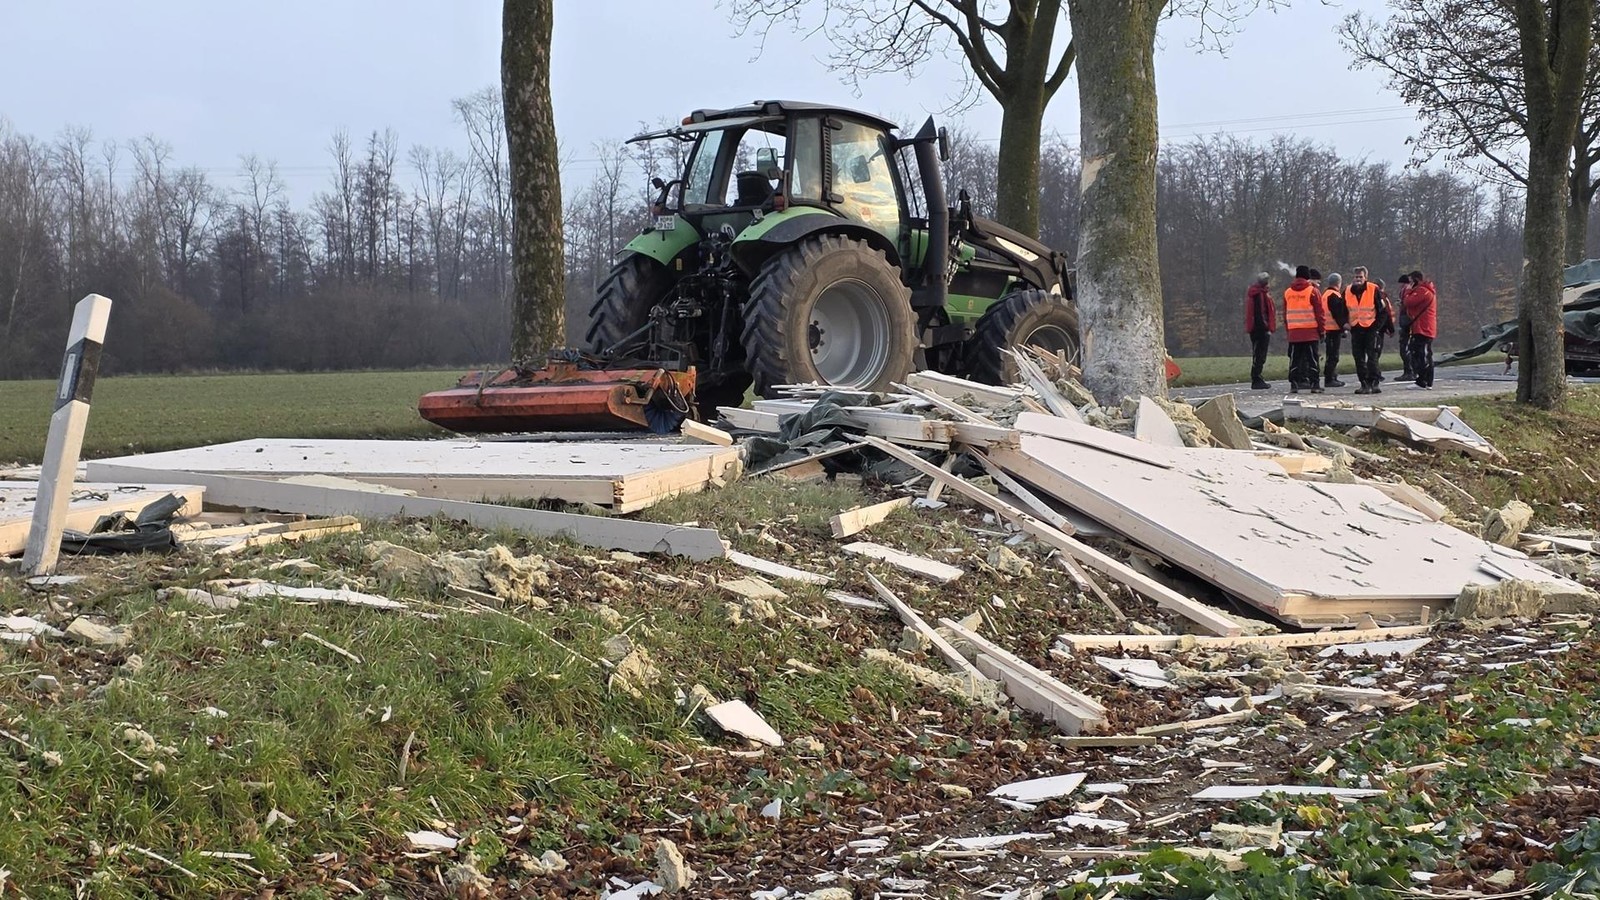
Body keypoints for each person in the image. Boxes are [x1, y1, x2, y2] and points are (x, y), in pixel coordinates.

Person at [1282, 265, 1327, 393]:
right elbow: (1319, 313)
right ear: (1308, 276)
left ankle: (1294, 384)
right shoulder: (1313, 291)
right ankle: (1315, 385)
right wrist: (1322, 331)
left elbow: (1285, 314)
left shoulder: (1288, 292)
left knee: (1295, 360)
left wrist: (1288, 330)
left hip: (1294, 332)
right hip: (1310, 332)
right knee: (1312, 359)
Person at [1344, 267, 1383, 394]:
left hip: (1370, 328)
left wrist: (1376, 326)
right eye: (1356, 277)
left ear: (1365, 277)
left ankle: (1374, 382)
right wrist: (1344, 323)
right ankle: (1364, 383)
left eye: (1360, 277)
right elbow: (1341, 309)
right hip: (1356, 328)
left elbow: (1382, 311)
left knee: (1372, 357)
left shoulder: (1373, 289)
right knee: (1358, 358)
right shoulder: (1347, 291)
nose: (1358, 279)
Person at [1402, 269, 1437, 389]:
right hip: (1422, 326)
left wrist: (1408, 290)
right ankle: (1426, 380)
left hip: (1423, 327)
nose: (1409, 284)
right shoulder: (1425, 290)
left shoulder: (1422, 291)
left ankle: (1423, 381)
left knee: (1421, 354)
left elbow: (1408, 302)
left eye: (1411, 281)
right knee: (1423, 353)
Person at [1244, 272, 1276, 390]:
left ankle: (1257, 377)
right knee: (1260, 354)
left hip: (1255, 328)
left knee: (1258, 353)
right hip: (1260, 329)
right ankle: (1256, 378)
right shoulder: (1260, 294)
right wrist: (1266, 327)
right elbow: (1260, 313)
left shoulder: (1257, 293)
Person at [1321, 272, 1348, 387]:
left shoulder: (1325, 294)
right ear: (1339, 283)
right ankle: (1330, 378)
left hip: (1326, 328)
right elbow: (1338, 314)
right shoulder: (1335, 295)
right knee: (1333, 355)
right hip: (1333, 329)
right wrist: (1344, 328)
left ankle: (1332, 376)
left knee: (1330, 354)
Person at [1372, 278, 1396, 380]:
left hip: (1374, 326)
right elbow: (1387, 314)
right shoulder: (1383, 297)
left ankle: (1374, 371)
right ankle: (1375, 373)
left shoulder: (1376, 296)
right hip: (1378, 328)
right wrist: (1391, 329)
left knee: (1373, 351)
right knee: (1376, 351)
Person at [1395, 273, 1415, 380]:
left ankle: (1409, 371)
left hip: (1406, 321)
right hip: (1407, 321)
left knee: (1404, 348)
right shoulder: (1410, 289)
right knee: (1407, 347)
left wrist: (1400, 304)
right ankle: (1410, 370)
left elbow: (1405, 305)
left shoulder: (1405, 290)